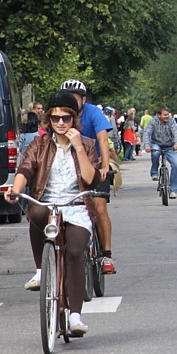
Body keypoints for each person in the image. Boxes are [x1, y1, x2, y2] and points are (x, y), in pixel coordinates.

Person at [5, 90, 101, 335]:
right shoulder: (39, 144)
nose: (60, 123)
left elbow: (91, 180)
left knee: (76, 251)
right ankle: (40, 270)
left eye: (66, 118)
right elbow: (25, 169)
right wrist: (15, 190)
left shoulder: (87, 144)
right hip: (48, 205)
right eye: (55, 118)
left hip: (77, 206)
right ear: (48, 119)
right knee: (35, 212)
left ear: (74, 119)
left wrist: (78, 147)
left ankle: (76, 317)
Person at [61, 79, 116, 274]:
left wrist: (103, 165)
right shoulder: (60, 116)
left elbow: (102, 138)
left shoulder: (93, 112)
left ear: (83, 99)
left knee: (100, 207)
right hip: (69, 167)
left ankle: (107, 255)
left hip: (95, 165)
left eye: (74, 98)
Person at [143, 105, 177, 199]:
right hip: (157, 144)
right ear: (159, 115)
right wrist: (147, 145)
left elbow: (176, 132)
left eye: (167, 114)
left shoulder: (171, 121)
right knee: (156, 153)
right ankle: (154, 172)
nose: (167, 116)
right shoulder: (153, 121)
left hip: (169, 145)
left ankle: (173, 189)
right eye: (164, 115)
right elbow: (147, 133)